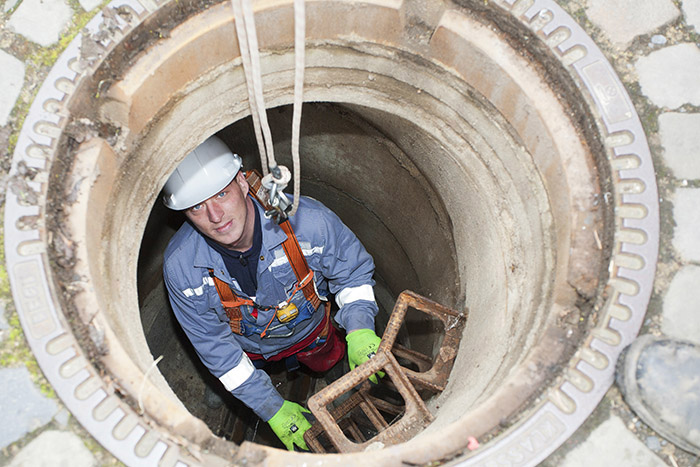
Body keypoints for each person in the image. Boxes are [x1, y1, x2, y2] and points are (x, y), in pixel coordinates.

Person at [161, 135, 383, 451]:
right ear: (182, 213)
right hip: (250, 350)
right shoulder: (183, 268)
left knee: (327, 359)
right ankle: (244, 394)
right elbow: (214, 346)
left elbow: (353, 274)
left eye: (221, 194)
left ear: (241, 182)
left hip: (312, 333)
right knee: (237, 377)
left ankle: (334, 370)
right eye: (197, 206)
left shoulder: (307, 222)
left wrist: (360, 328)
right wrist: (270, 408)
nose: (215, 216)